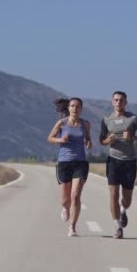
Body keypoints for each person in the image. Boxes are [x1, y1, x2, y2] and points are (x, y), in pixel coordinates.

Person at [99, 91, 137, 239]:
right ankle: (117, 227)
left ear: (126, 102)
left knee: (126, 200)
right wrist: (109, 140)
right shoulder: (106, 120)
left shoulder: (133, 118)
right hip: (113, 160)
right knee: (113, 194)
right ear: (112, 102)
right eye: (116, 100)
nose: (118, 102)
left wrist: (132, 137)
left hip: (130, 161)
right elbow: (101, 141)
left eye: (121, 100)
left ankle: (123, 210)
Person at [47, 97, 92, 237]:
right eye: (72, 106)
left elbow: (88, 140)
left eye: (78, 106)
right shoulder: (62, 123)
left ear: (81, 109)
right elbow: (50, 138)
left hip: (80, 162)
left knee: (75, 195)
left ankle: (72, 227)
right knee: (65, 199)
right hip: (64, 163)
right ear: (68, 108)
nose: (75, 109)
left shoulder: (85, 124)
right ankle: (65, 207)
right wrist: (61, 140)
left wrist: (89, 143)